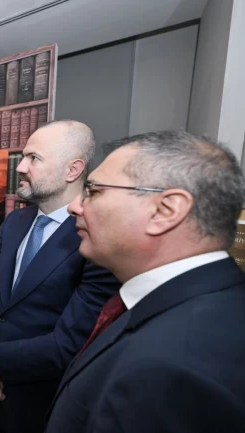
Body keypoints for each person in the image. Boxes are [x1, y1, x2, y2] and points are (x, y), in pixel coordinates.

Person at [45, 131, 245, 432]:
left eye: (93, 191)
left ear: (165, 211)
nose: (75, 206)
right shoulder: (212, 303)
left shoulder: (171, 368)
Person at [0, 120, 121, 433]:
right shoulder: (15, 221)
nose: (20, 167)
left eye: (33, 158)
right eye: (23, 156)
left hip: (46, 403)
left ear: (72, 170)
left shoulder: (98, 237)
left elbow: (73, 342)